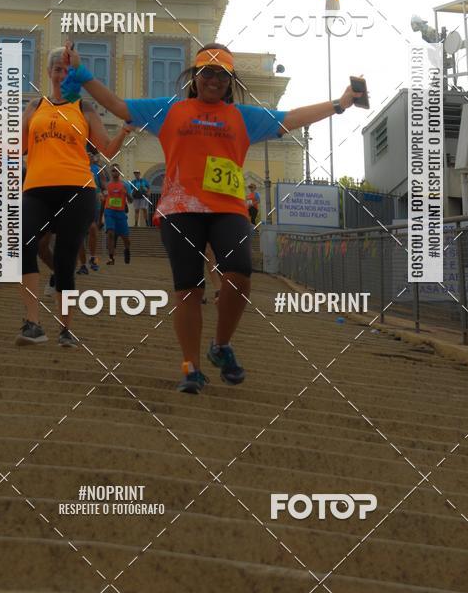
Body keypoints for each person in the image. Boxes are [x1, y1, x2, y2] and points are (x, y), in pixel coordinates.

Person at [60, 41, 363, 392]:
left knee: (240, 275)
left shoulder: (243, 117)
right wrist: (82, 75)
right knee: (188, 291)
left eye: (222, 75)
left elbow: (292, 118)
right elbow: (117, 105)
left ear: (230, 81)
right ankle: (191, 368)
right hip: (179, 209)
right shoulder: (170, 110)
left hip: (229, 208)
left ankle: (221, 345)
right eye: (208, 73)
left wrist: (340, 105)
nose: (214, 80)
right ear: (195, 77)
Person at [16, 47, 130, 348]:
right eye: (57, 68)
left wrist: (123, 133)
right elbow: (18, 148)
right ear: (50, 73)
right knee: (24, 243)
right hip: (37, 188)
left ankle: (65, 327)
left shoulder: (84, 108)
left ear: (74, 76)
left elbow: (105, 149)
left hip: (77, 190)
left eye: (67, 69)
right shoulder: (35, 106)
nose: (61, 73)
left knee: (66, 260)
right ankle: (33, 323)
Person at [76, 148, 105, 275]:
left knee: (93, 228)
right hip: (79, 204)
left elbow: (104, 187)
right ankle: (83, 265)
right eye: (86, 154)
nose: (88, 156)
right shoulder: (75, 167)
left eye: (91, 154)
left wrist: (104, 195)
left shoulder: (97, 170)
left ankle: (93, 257)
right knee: (79, 236)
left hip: (94, 203)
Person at [104, 161, 133, 265]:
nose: (115, 172)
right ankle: (111, 258)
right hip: (109, 212)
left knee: (126, 239)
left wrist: (126, 194)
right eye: (113, 171)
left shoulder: (125, 185)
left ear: (120, 172)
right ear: (110, 172)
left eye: (116, 170)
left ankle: (127, 250)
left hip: (120, 213)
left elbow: (131, 201)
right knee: (110, 233)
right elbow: (104, 199)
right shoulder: (107, 185)